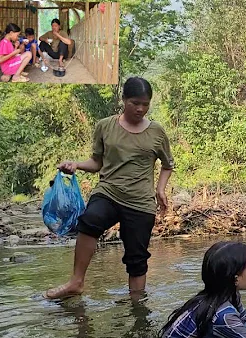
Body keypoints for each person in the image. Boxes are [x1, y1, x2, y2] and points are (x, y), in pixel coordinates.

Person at [43, 77, 175, 300]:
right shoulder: (105, 126)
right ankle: (76, 282)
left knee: (137, 257)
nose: (140, 109)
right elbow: (96, 163)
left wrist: (161, 189)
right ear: (123, 100)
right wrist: (75, 165)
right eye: (135, 103)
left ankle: (137, 303)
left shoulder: (157, 132)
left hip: (140, 201)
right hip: (109, 192)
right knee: (90, 221)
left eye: (145, 104)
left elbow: (168, 165)